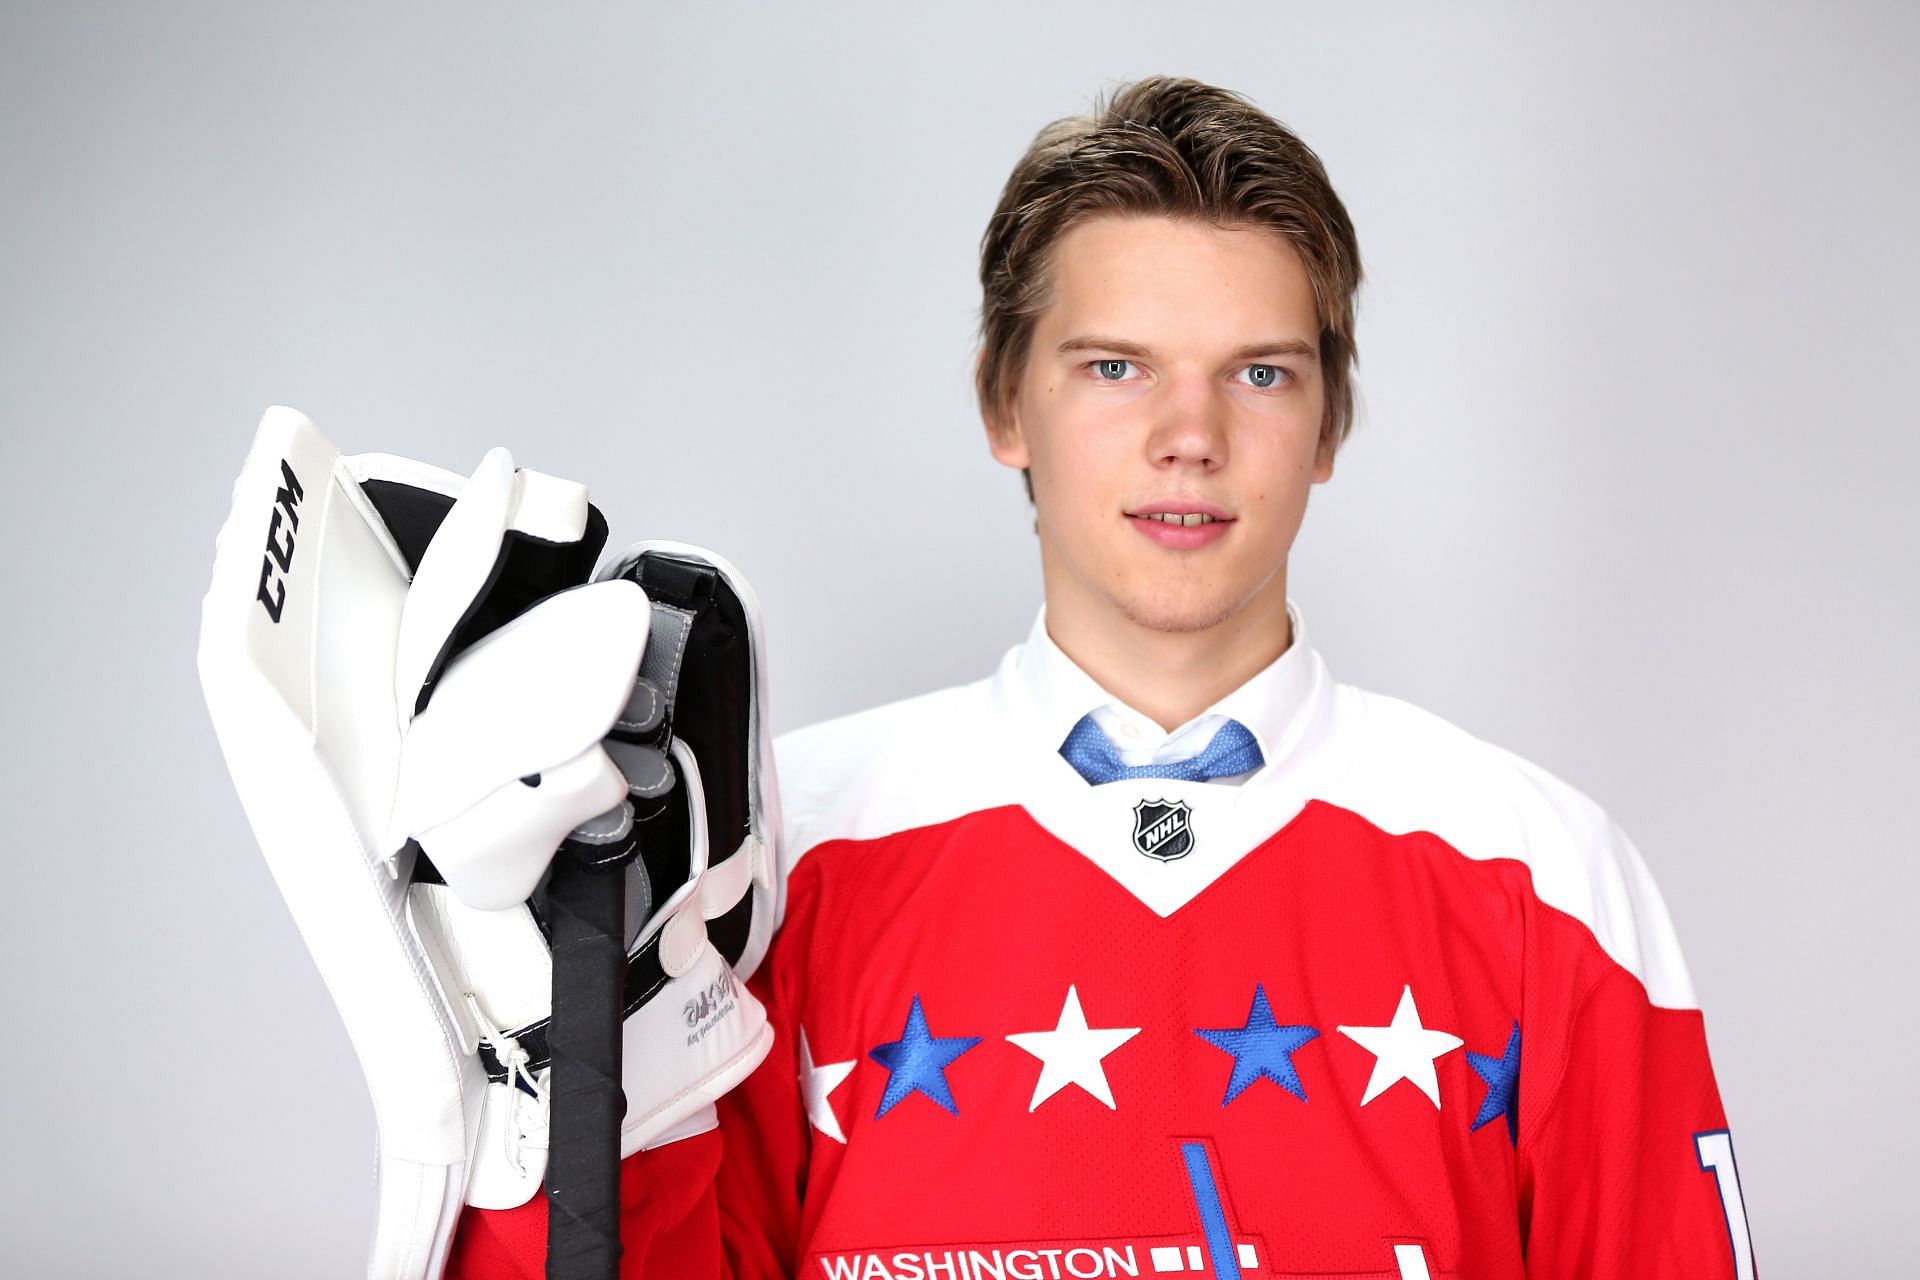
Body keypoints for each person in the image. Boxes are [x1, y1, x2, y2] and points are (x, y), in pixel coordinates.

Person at [445, 74, 1753, 1280]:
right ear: (1003, 404)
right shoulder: (766, 857)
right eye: (1115, 369)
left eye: (1259, 372)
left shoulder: (1547, 880)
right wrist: (541, 1014)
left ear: (1331, 422)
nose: (1191, 438)